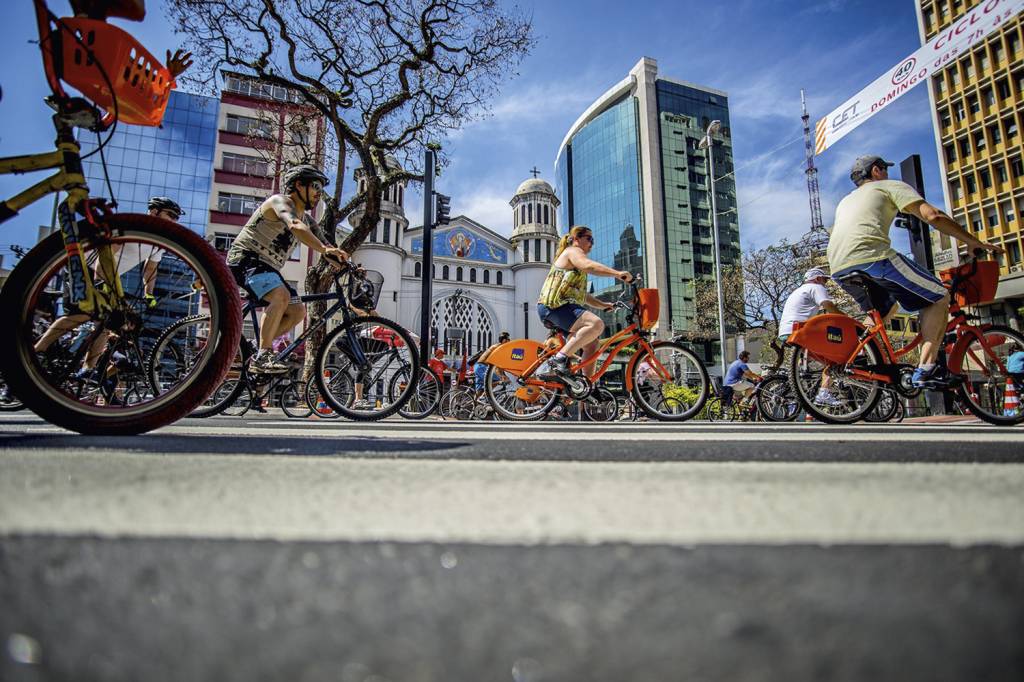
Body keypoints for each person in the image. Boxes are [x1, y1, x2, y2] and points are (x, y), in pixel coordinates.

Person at [827, 155, 1002, 389]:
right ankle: (927, 369)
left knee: (885, 309)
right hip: (873, 256)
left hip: (838, 266)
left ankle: (854, 356)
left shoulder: (846, 201)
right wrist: (972, 241)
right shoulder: (889, 186)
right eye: (885, 170)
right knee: (939, 296)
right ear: (877, 171)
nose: (887, 174)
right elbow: (933, 216)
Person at [226, 164, 348, 374]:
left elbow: (326, 244)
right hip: (246, 259)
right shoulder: (280, 202)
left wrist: (347, 264)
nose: (319, 193)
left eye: (321, 189)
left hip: (268, 268)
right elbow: (294, 226)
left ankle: (255, 348)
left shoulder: (307, 220)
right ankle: (263, 355)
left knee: (297, 311)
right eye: (316, 186)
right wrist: (323, 249)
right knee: (280, 296)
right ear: (298, 185)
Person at [34, 196, 186, 365]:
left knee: (106, 325)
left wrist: (148, 294)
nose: (174, 220)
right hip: (86, 268)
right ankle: (37, 352)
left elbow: (150, 269)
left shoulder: (157, 243)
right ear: (154, 211)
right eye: (170, 214)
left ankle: (87, 371)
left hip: (109, 277)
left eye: (177, 218)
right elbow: (105, 254)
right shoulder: (133, 228)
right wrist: (101, 285)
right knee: (81, 314)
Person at [537, 225, 633, 379]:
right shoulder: (573, 252)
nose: (592, 243)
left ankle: (587, 385)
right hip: (554, 306)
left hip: (559, 308)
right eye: (589, 238)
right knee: (596, 324)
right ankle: (560, 358)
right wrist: (618, 273)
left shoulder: (575, 265)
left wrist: (603, 305)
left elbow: (584, 296)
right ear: (576, 239)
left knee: (593, 344)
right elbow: (589, 266)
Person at [779, 267, 842, 406]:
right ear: (817, 278)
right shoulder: (816, 287)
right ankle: (824, 393)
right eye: (825, 279)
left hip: (786, 332)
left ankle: (797, 376)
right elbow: (827, 305)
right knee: (837, 360)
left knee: (809, 359)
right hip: (801, 332)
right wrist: (845, 318)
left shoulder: (798, 291)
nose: (825, 283)